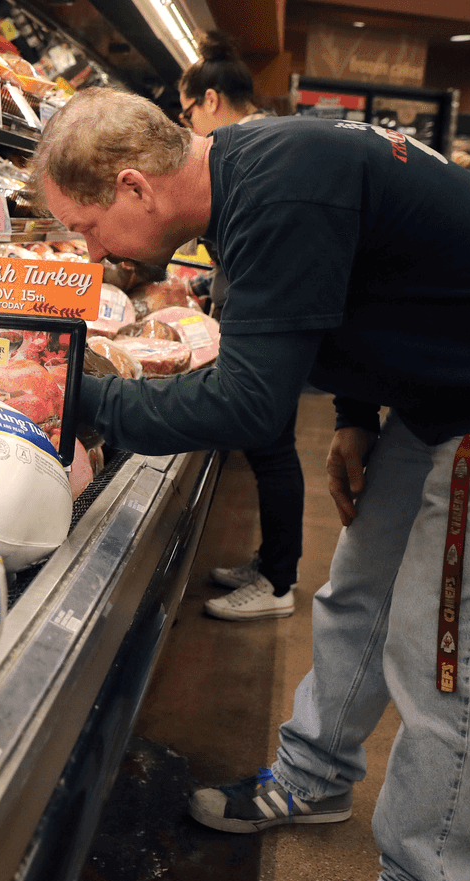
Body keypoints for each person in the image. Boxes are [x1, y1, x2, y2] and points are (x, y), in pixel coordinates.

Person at [31, 87, 470, 881]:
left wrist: (72, 399)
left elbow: (248, 405)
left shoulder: (279, 190)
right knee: (358, 594)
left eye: (87, 225)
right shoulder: (249, 168)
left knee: (443, 651)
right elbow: (355, 287)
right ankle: (313, 777)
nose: (96, 250)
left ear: (135, 187)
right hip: (447, 392)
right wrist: (357, 416)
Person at [177, 32, 302, 621]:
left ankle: (279, 581)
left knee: (271, 444)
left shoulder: (232, 146)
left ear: (208, 99)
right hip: (265, 307)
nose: (187, 125)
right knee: (268, 443)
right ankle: (271, 561)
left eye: (185, 111)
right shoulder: (273, 133)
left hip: (267, 315)